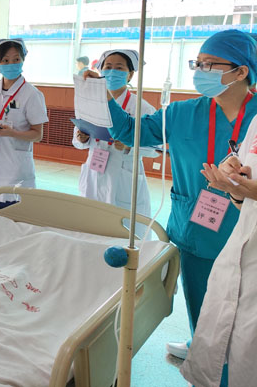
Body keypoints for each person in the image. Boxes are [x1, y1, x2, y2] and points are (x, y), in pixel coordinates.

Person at [91, 29, 257, 361]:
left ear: (241, 72)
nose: (199, 71)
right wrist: (103, 96)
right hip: (197, 226)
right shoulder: (182, 114)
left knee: (243, 315)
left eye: (209, 64)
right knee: (201, 301)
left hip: (247, 229)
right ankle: (201, 349)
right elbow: (129, 131)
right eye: (197, 63)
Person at [183, 123, 257, 387]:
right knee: (240, 360)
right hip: (243, 255)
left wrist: (250, 190)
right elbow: (245, 202)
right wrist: (235, 186)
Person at [72, 49, 157, 217]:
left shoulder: (142, 107)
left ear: (130, 75)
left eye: (119, 68)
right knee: (90, 220)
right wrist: (82, 138)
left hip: (123, 174)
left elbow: (155, 148)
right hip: (94, 169)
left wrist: (129, 146)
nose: (112, 72)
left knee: (121, 223)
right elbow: (78, 138)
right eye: (108, 67)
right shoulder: (91, 101)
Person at [0, 38, 48, 211]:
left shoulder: (32, 94)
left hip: (15, 168)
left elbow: (38, 134)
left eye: (16, 59)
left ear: (23, 60)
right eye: (5, 60)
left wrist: (12, 133)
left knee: (12, 216)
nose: (11, 64)